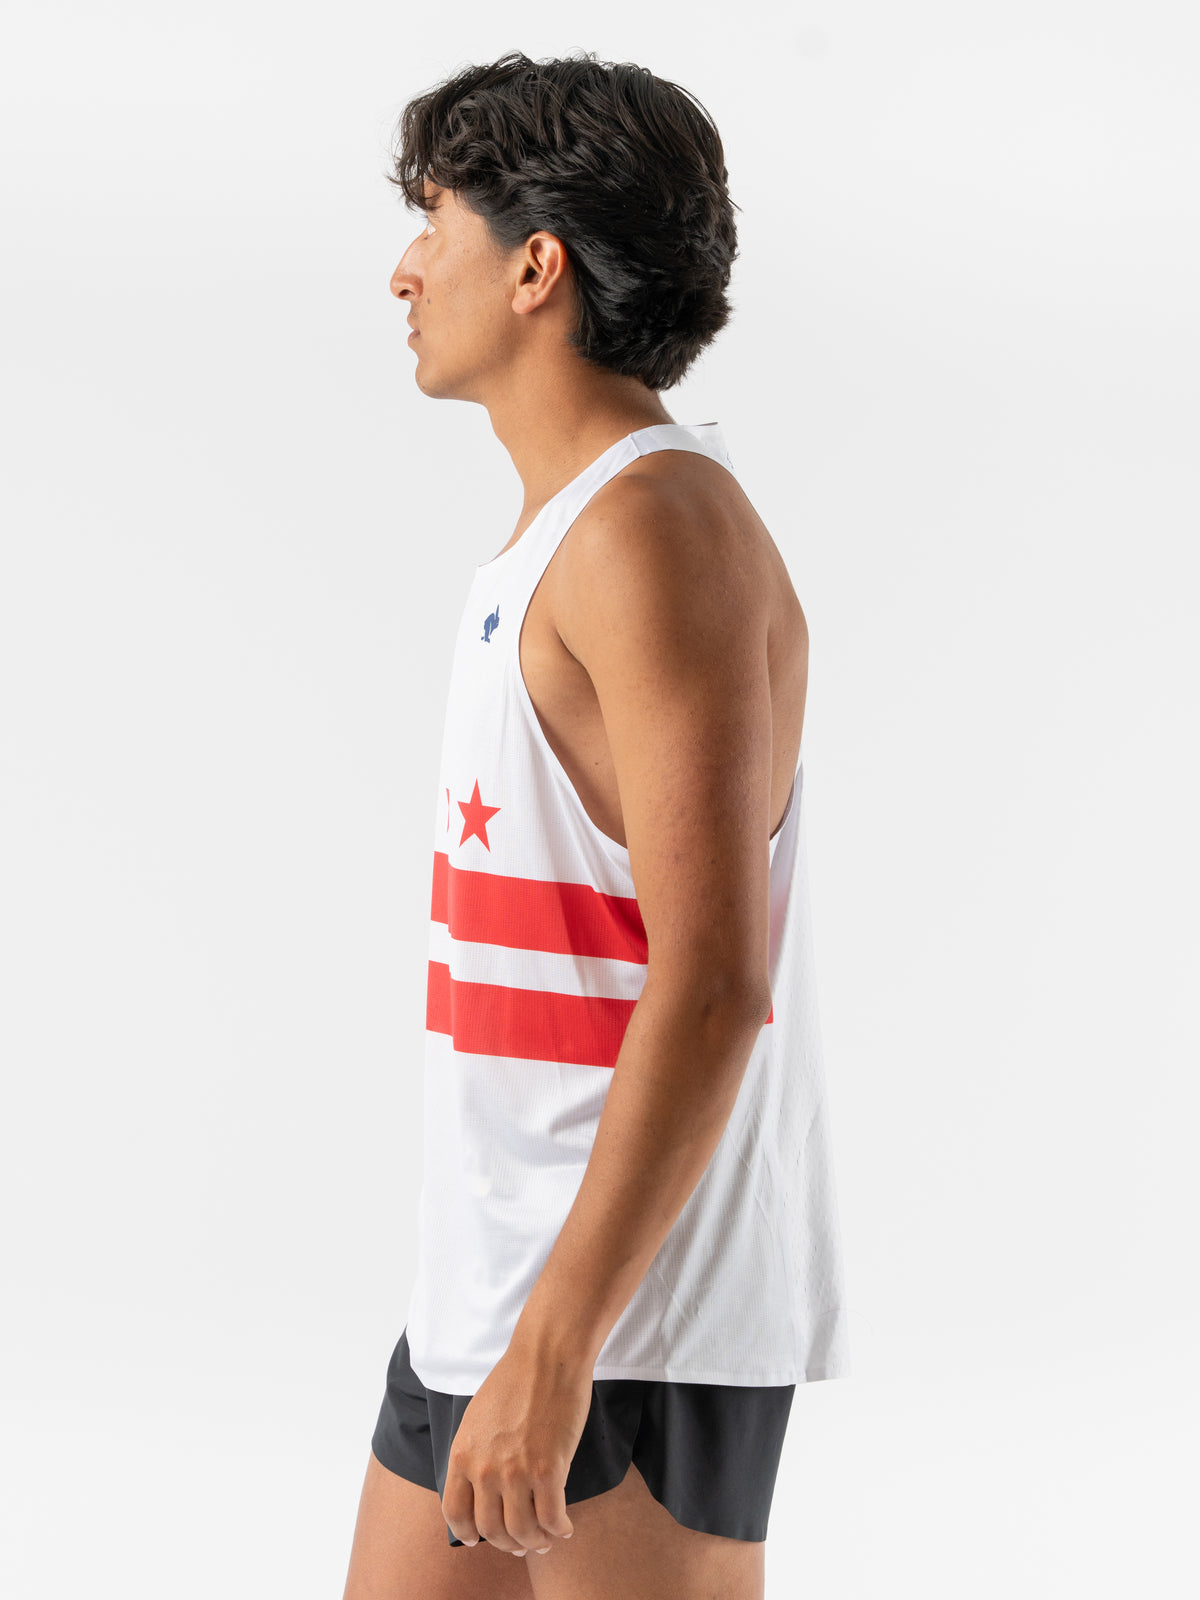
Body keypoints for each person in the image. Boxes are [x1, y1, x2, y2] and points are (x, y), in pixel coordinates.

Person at [342, 49, 850, 1600]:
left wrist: (560, 1343)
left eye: (436, 223)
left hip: (624, 1328)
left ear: (536, 267)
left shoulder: (654, 528)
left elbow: (713, 983)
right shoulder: (566, 532)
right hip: (496, 1295)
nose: (403, 271)